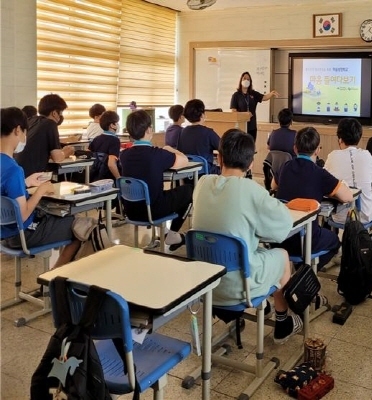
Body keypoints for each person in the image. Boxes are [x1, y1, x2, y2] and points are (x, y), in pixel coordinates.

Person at [191, 128, 302, 344]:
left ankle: (266, 306)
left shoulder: (202, 183)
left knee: (249, 250)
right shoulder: (252, 190)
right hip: (239, 285)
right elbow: (282, 228)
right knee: (281, 255)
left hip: (204, 282)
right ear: (251, 163)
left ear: (219, 157)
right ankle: (282, 322)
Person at [1, 107, 81, 268]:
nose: (25, 137)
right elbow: (22, 215)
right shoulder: (13, 169)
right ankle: (54, 278)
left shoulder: (8, 168)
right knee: (81, 227)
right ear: (18, 130)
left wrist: (25, 183)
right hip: (22, 235)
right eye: (25, 132)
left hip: (4, 234)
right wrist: (41, 191)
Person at [274, 127, 353, 269]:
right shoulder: (320, 174)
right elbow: (348, 197)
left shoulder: (285, 166)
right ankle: (306, 269)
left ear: (295, 148)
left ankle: (300, 267)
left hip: (279, 238)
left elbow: (274, 185)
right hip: (306, 242)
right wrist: (329, 192)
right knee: (334, 240)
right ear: (318, 150)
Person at [120, 110, 192, 251]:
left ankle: (163, 232)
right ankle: (172, 234)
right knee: (188, 190)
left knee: (158, 191)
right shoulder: (157, 154)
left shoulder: (124, 155)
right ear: (149, 130)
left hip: (131, 210)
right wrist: (170, 149)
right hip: (153, 211)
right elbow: (184, 161)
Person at [325, 118, 372, 225]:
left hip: (340, 216)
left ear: (340, 139)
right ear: (359, 137)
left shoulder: (332, 156)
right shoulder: (367, 155)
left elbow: (324, 182)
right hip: (365, 215)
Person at [14, 94, 74, 177]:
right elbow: (57, 158)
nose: (60, 117)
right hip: (32, 176)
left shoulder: (31, 120)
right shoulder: (50, 124)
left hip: (18, 173)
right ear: (54, 113)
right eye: (60, 113)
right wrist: (66, 152)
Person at [229, 71, 279, 142]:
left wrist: (272, 93)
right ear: (241, 81)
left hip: (252, 126)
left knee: (251, 146)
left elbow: (264, 97)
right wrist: (244, 115)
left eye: (248, 79)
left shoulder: (253, 93)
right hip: (241, 127)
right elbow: (234, 111)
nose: (246, 80)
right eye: (244, 78)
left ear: (250, 82)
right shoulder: (236, 95)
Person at [177, 99, 221, 174]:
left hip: (187, 174)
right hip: (206, 173)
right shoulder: (208, 133)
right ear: (202, 114)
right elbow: (224, 149)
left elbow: (180, 151)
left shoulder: (183, 132)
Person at [89, 110, 121, 181]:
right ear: (112, 125)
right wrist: (119, 178)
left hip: (95, 177)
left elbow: (88, 155)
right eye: (117, 123)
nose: (118, 125)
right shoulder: (115, 140)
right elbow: (111, 164)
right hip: (109, 178)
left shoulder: (96, 139)